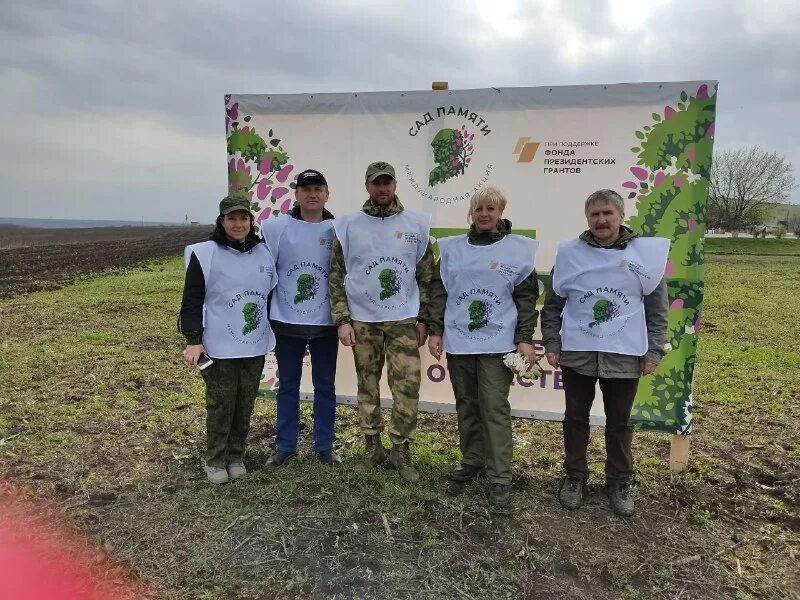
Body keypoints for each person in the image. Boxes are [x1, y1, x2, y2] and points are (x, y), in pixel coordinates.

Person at [541, 189, 669, 516]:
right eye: (594, 214)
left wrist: (653, 350)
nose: (601, 220)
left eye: (607, 213)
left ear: (621, 216)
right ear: (587, 218)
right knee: (575, 419)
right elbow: (553, 306)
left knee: (620, 422)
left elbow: (657, 310)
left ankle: (620, 481)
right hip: (578, 356)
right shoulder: (570, 255)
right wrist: (553, 343)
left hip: (624, 357)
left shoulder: (645, 257)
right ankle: (574, 477)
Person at [427, 186, 539, 507]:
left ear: (501, 211)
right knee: (466, 403)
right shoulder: (451, 250)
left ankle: (500, 475)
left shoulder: (517, 250)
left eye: (491, 209)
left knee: (493, 406)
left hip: (498, 343)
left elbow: (526, 298)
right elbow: (439, 292)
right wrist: (435, 331)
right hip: (460, 341)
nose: (485, 214)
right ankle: (473, 459)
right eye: (479, 209)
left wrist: (524, 338)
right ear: (471, 213)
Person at [329, 161, 433, 483]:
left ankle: (401, 448)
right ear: (367, 186)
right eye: (376, 183)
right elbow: (336, 275)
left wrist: (425, 319)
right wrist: (342, 319)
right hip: (364, 322)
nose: (382, 188)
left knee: (407, 386)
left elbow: (427, 275)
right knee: (367, 386)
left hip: (403, 321)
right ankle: (371, 446)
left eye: (387, 182)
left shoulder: (415, 224)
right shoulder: (349, 226)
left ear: (395, 185)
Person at [179, 196, 277, 484]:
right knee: (221, 403)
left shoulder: (264, 253)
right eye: (232, 219)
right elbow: (192, 299)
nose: (238, 224)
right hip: (218, 345)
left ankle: (236, 455)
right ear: (221, 221)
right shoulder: (204, 253)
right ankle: (215, 459)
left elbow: (270, 296)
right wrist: (193, 339)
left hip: (253, 344)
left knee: (245, 402)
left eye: (243, 218)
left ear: (251, 221)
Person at [260, 169, 340, 467]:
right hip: (287, 323)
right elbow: (264, 270)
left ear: (327, 194)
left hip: (326, 324)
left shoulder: (338, 229)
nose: (312, 193)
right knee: (288, 386)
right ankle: (285, 446)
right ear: (297, 194)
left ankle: (324, 446)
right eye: (306, 188)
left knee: (325, 387)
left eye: (318, 188)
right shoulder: (277, 228)